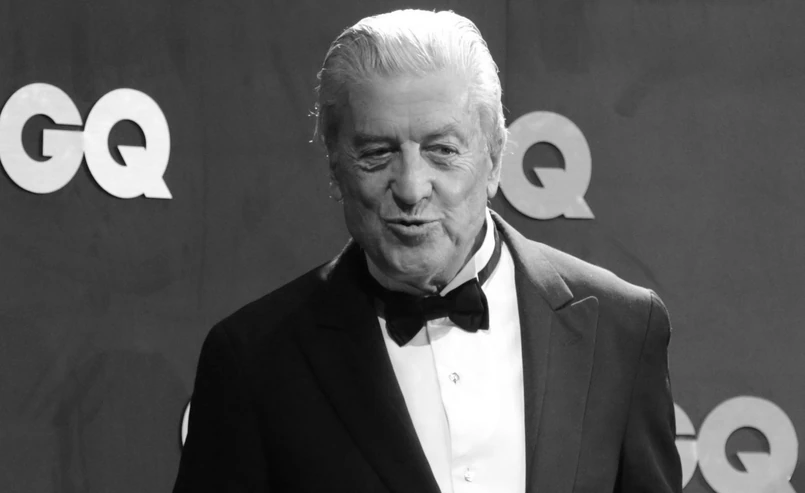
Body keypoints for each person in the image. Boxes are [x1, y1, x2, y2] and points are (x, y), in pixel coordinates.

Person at [173, 9, 682, 493]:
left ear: (494, 160)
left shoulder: (620, 329)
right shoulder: (253, 360)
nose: (412, 187)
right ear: (334, 166)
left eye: (442, 150)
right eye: (377, 153)